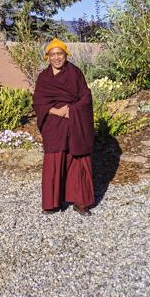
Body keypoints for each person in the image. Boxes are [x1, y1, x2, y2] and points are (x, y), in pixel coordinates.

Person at [33, 38, 95, 216]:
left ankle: (81, 202)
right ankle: (52, 203)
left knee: (78, 159)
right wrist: (56, 111)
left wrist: (72, 110)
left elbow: (86, 96)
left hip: (75, 121)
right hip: (54, 123)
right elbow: (38, 102)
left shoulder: (75, 73)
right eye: (53, 54)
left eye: (60, 53)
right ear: (48, 57)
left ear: (66, 55)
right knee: (54, 161)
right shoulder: (44, 78)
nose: (57, 58)